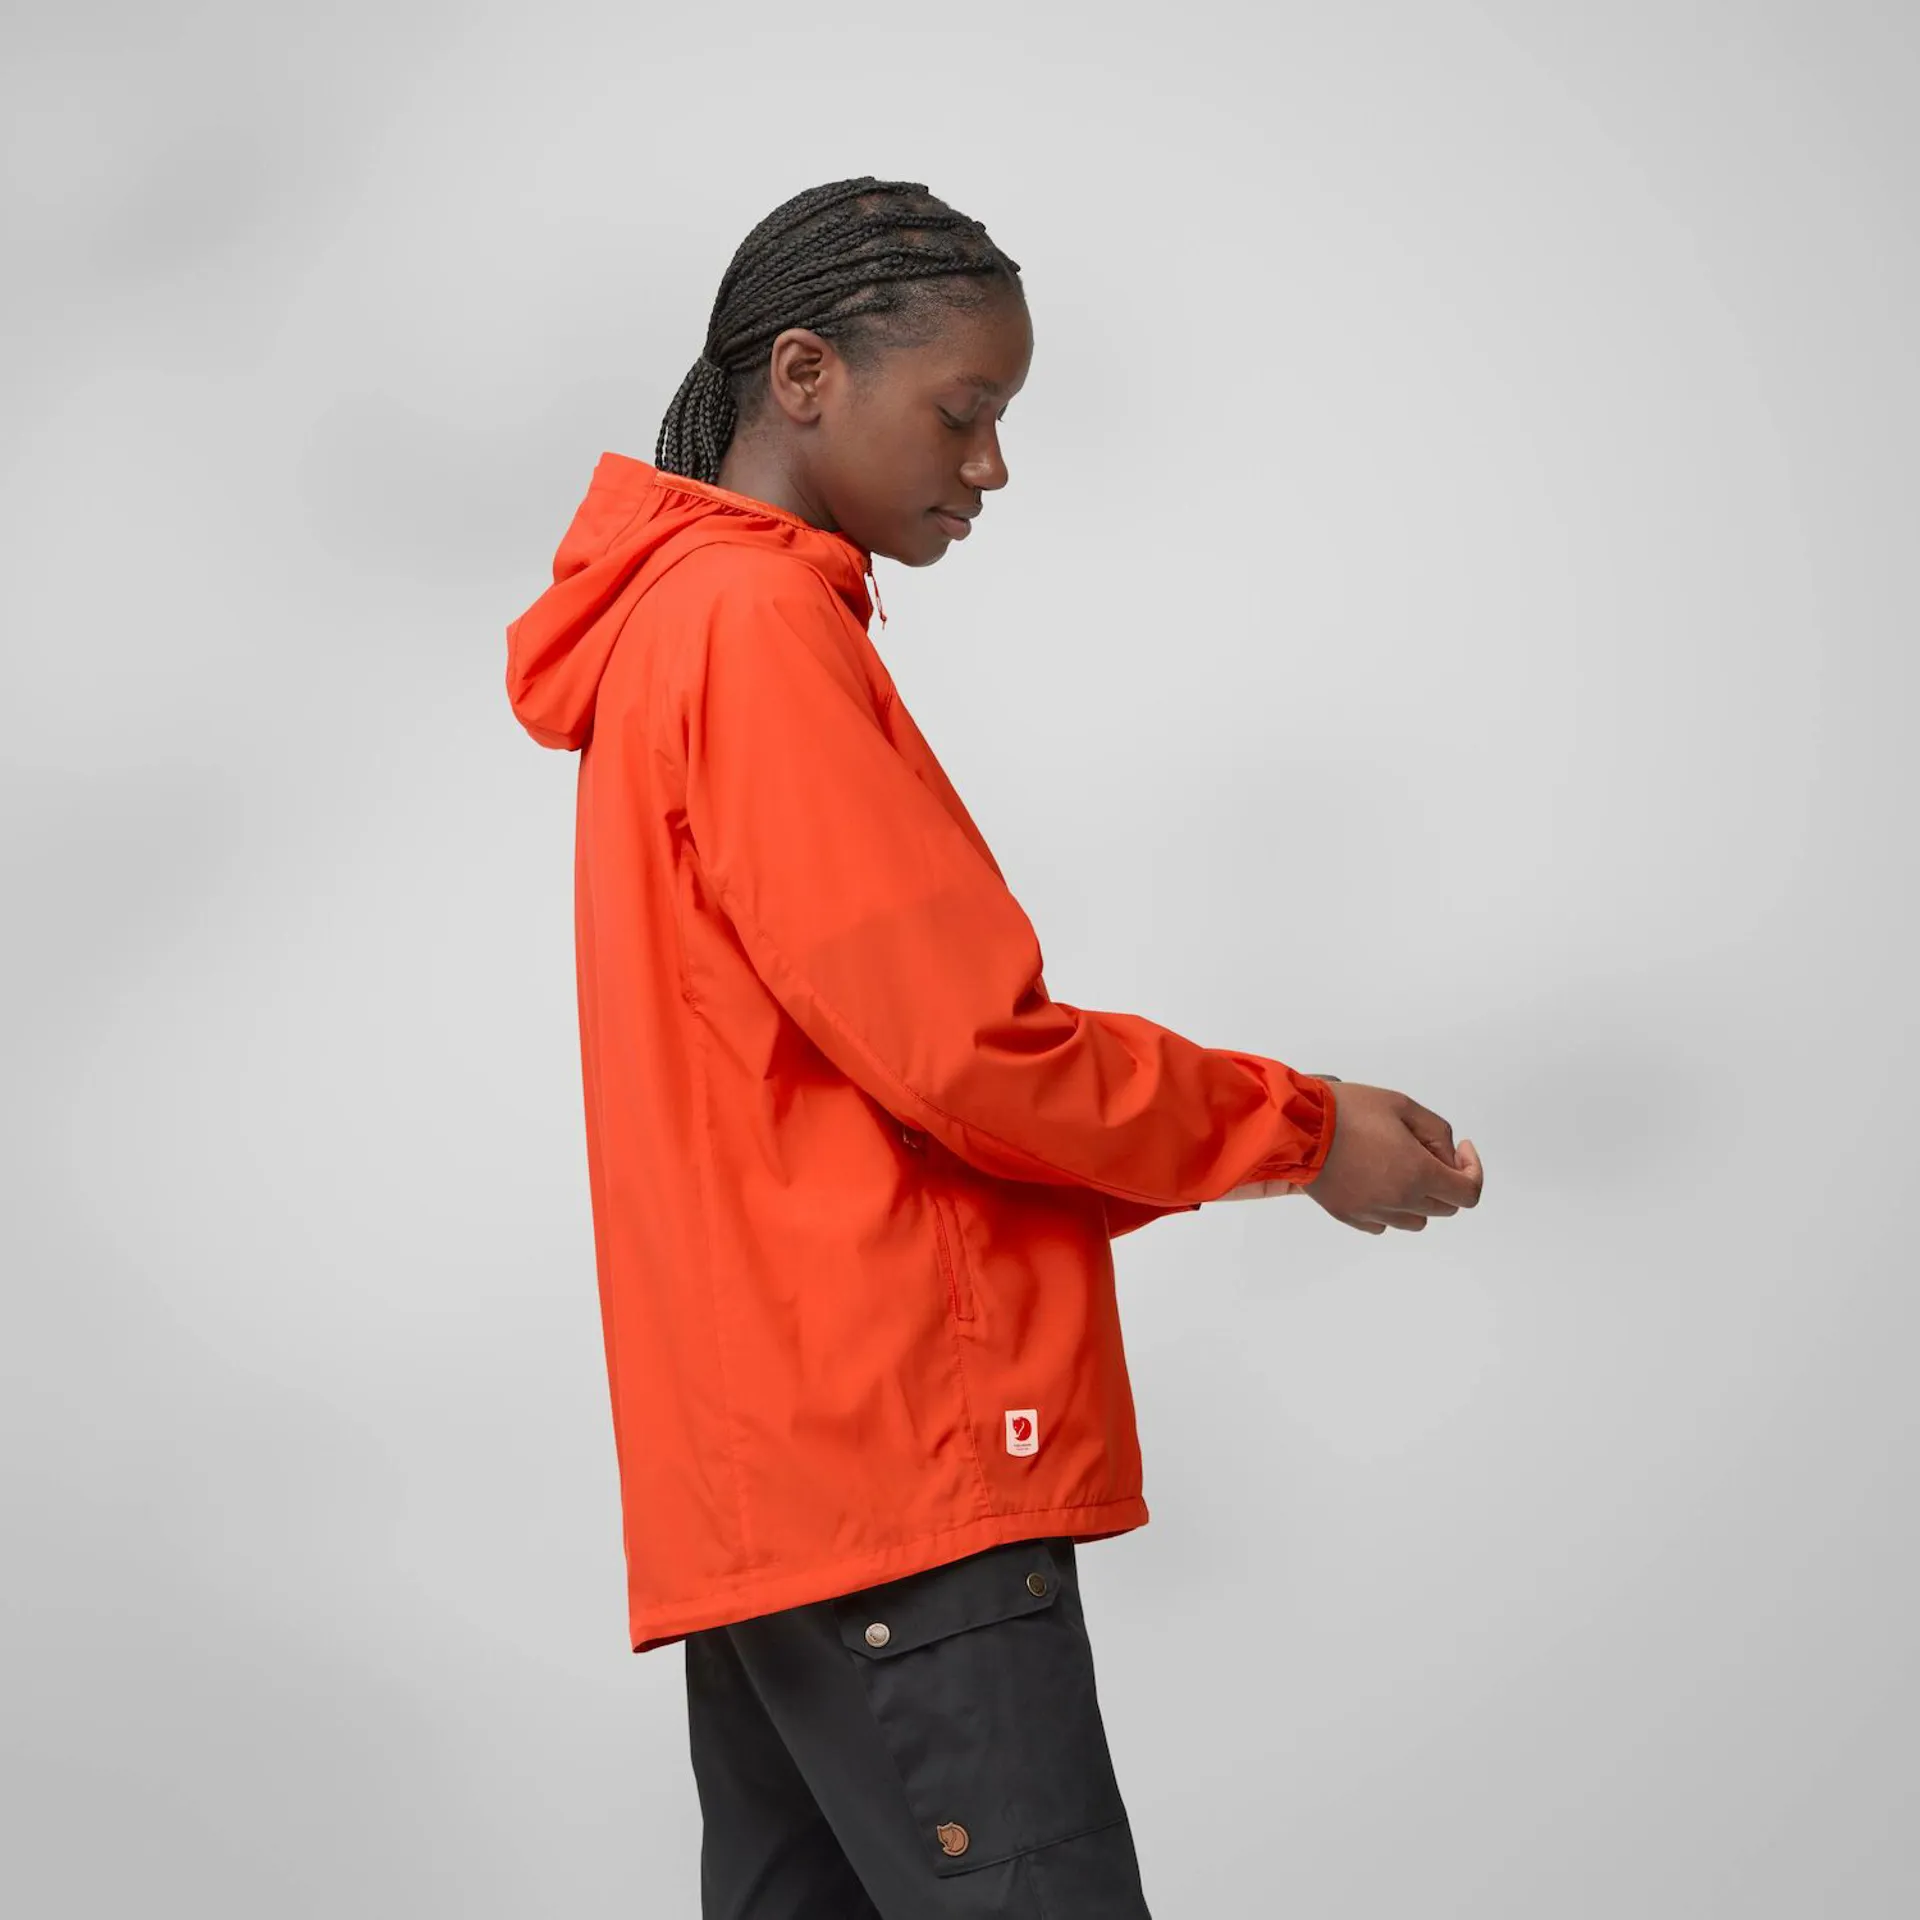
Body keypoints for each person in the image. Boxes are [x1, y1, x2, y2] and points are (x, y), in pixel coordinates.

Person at [504, 176, 1485, 1920]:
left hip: (776, 1497)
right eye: (965, 411)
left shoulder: (676, 629)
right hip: (899, 1475)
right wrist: (1304, 1128)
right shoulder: (748, 628)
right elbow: (967, 1051)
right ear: (804, 375)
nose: (994, 466)